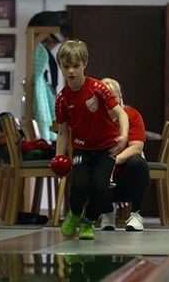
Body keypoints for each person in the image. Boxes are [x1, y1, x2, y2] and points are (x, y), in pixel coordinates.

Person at [54, 40, 129, 240]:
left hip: (106, 149)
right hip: (81, 148)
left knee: (100, 187)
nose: (71, 71)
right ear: (60, 66)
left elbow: (121, 114)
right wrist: (59, 158)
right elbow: (63, 132)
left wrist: (123, 136)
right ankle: (75, 214)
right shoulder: (62, 98)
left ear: (85, 64)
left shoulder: (98, 88)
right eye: (66, 66)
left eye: (76, 66)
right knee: (79, 186)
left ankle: (88, 222)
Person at [100, 78, 150, 231]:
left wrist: (113, 161)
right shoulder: (95, 120)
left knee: (138, 163)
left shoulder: (132, 115)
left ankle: (136, 214)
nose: (109, 102)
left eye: (113, 97)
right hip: (103, 179)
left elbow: (136, 148)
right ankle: (107, 213)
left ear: (120, 97)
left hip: (127, 175)